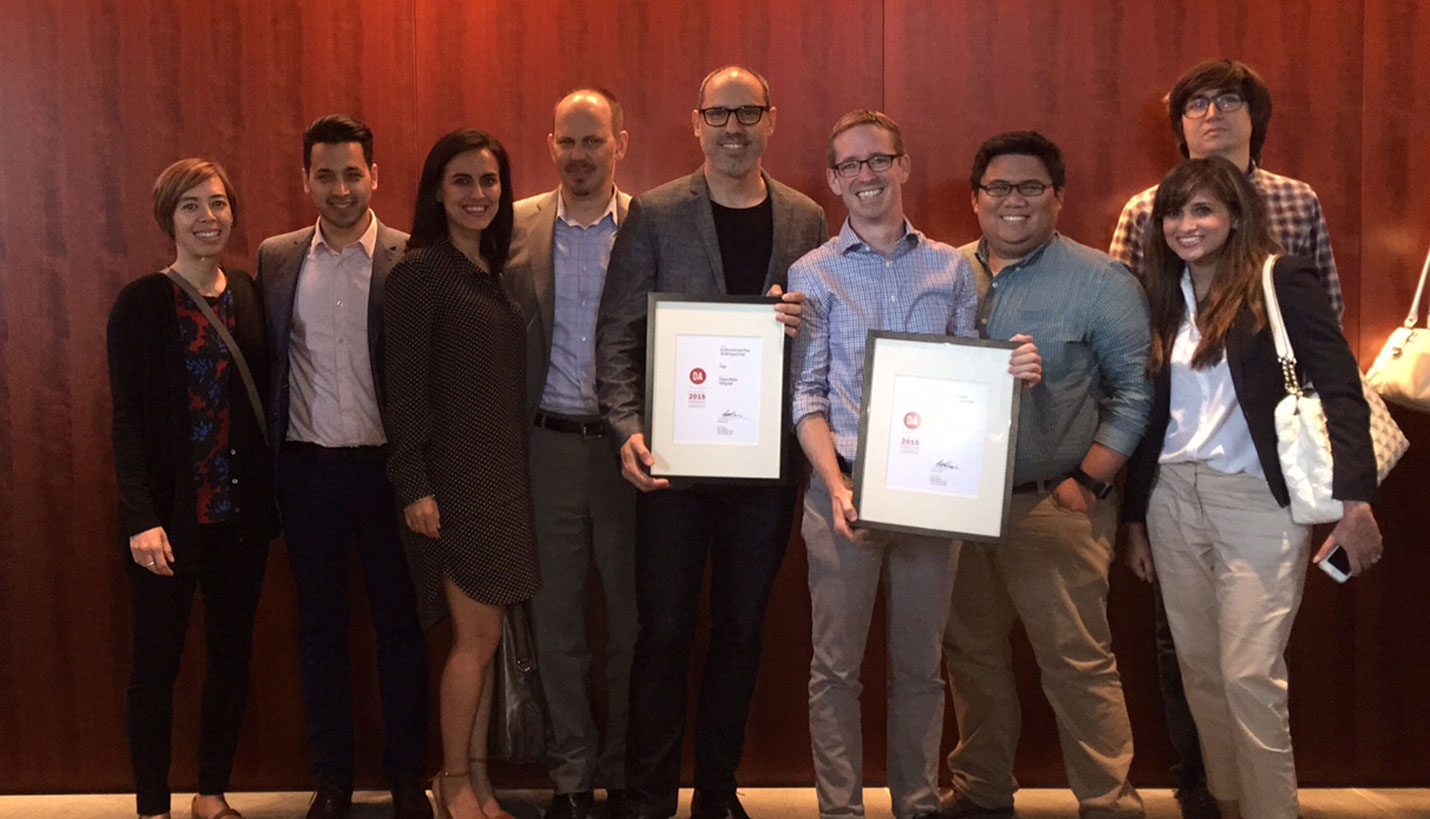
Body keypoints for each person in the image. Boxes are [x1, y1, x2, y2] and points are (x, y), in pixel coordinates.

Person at [1107, 58, 1345, 817]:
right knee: (1197, 665)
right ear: (1178, 124)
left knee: (1248, 669)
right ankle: (1211, 792)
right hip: (1176, 487)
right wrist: (1135, 507)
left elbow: (1325, 342)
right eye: (1196, 103)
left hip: (1260, 481)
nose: (1188, 226)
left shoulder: (1292, 209)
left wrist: (1355, 496)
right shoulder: (1147, 216)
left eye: (1229, 99)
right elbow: (1132, 351)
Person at [790, 110, 1041, 819]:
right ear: (834, 181)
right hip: (841, 491)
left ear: (903, 165)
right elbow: (805, 394)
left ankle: (918, 803)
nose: (866, 175)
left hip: (932, 497)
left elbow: (970, 379)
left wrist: (1011, 372)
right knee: (834, 671)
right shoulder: (812, 272)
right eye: (850, 165)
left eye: (879, 160)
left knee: (920, 669)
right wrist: (836, 488)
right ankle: (841, 809)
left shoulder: (951, 268)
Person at [594, 65, 826, 819]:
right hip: (673, 467)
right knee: (661, 632)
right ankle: (649, 796)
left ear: (771, 119)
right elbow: (619, 333)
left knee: (742, 630)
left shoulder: (805, 218)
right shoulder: (656, 214)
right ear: (696, 123)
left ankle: (718, 791)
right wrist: (626, 427)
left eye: (747, 112)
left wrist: (803, 322)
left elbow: (825, 343)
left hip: (766, 471)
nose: (734, 127)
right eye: (719, 114)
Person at [940, 132, 1150, 819]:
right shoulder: (942, 272)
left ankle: (1109, 802)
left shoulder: (1102, 280)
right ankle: (980, 792)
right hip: (958, 502)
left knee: (1077, 661)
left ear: (1059, 197)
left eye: (1031, 187)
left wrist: (1088, 482)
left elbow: (1134, 394)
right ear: (975, 199)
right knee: (970, 657)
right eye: (998, 187)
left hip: (1056, 501)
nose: (1013, 201)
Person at [256, 115, 430, 819]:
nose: (339, 188)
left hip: (391, 476)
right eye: (324, 175)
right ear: (306, 180)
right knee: (320, 631)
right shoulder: (276, 258)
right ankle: (331, 778)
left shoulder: (411, 255)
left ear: (375, 176)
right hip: (307, 476)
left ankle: (407, 779)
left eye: (352, 172)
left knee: (402, 629)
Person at [107, 158, 277, 819]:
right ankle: (152, 804)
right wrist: (139, 515)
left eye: (217, 203)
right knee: (156, 665)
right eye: (190, 206)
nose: (208, 216)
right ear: (167, 218)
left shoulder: (251, 292)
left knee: (231, 657)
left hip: (240, 517)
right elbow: (125, 417)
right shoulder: (143, 302)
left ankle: (211, 791)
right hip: (168, 522)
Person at [383, 129, 539, 819]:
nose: (478, 194)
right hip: (455, 481)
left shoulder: (493, 270)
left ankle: (476, 778)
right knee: (472, 640)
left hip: (504, 479)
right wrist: (413, 480)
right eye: (462, 181)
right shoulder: (421, 271)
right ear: (436, 191)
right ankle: (451, 784)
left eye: (489, 181)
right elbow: (404, 387)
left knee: (487, 638)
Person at [503, 88, 636, 819]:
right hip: (544, 447)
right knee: (556, 626)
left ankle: (622, 770)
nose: (579, 155)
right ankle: (571, 777)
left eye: (594, 140)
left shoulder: (650, 224)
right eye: (567, 141)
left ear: (623, 140)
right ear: (550, 143)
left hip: (628, 454)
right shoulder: (516, 224)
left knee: (631, 623)